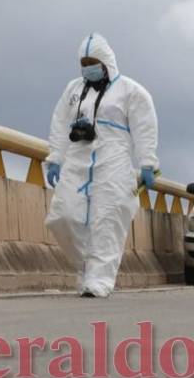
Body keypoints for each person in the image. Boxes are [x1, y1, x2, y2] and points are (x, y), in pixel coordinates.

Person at [44, 33, 159, 298]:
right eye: (84, 62)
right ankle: (85, 265)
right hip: (77, 161)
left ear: (106, 61)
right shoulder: (73, 90)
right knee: (63, 216)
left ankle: (99, 280)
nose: (88, 67)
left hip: (113, 164)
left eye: (92, 61)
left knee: (107, 221)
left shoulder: (131, 92)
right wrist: (55, 158)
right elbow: (60, 123)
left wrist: (147, 163)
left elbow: (144, 127)